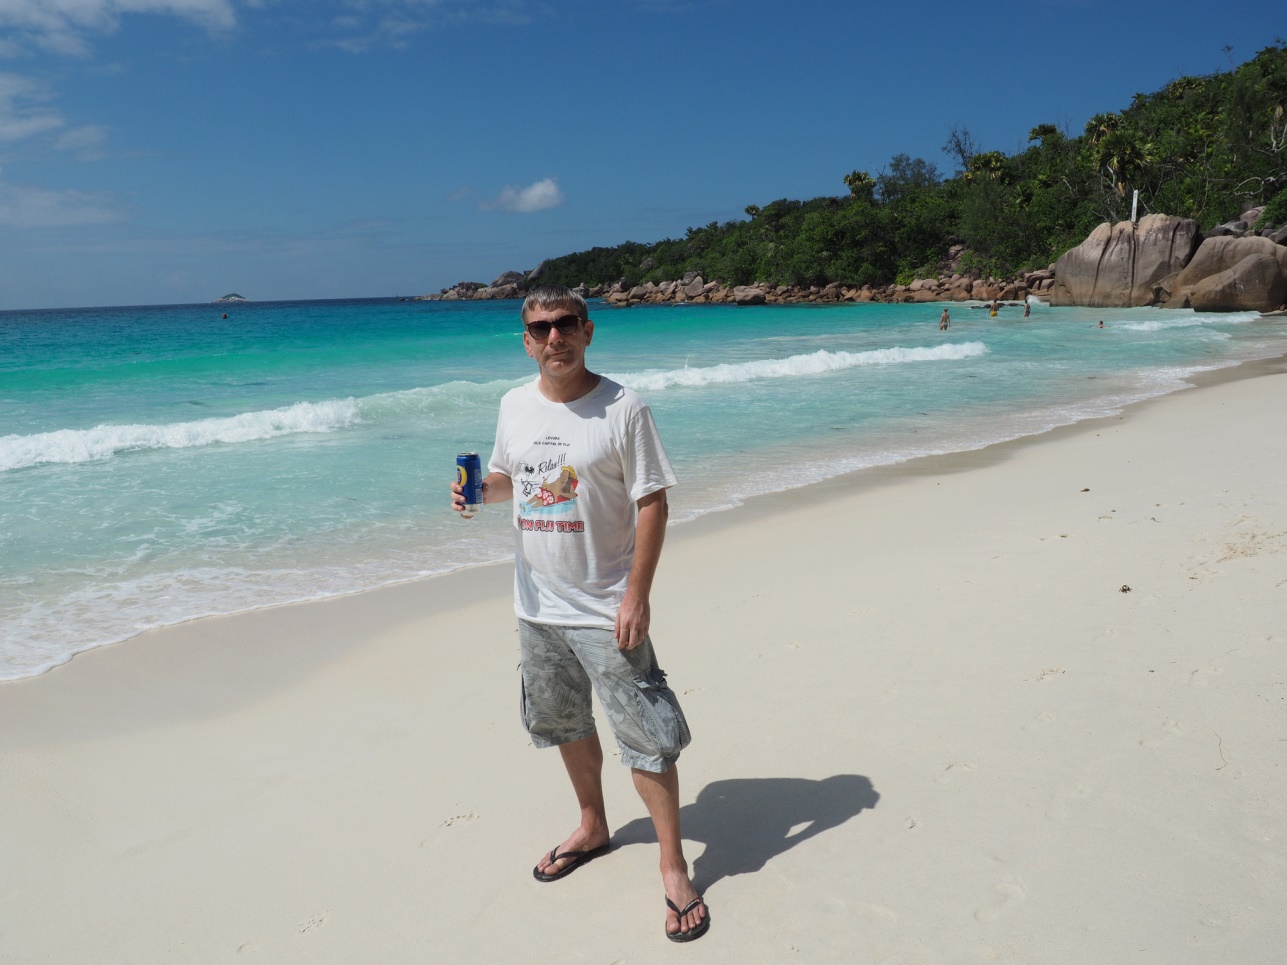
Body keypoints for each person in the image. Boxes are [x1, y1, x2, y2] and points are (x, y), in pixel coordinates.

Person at [450, 286, 710, 943]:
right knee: (564, 723)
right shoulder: (513, 404)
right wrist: (478, 491)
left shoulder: (623, 408)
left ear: (587, 331)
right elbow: (512, 479)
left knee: (647, 735)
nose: (553, 338)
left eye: (565, 324)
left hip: (605, 606)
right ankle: (593, 825)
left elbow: (653, 502)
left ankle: (673, 865)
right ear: (526, 341)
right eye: (540, 329)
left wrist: (637, 594)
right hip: (536, 604)